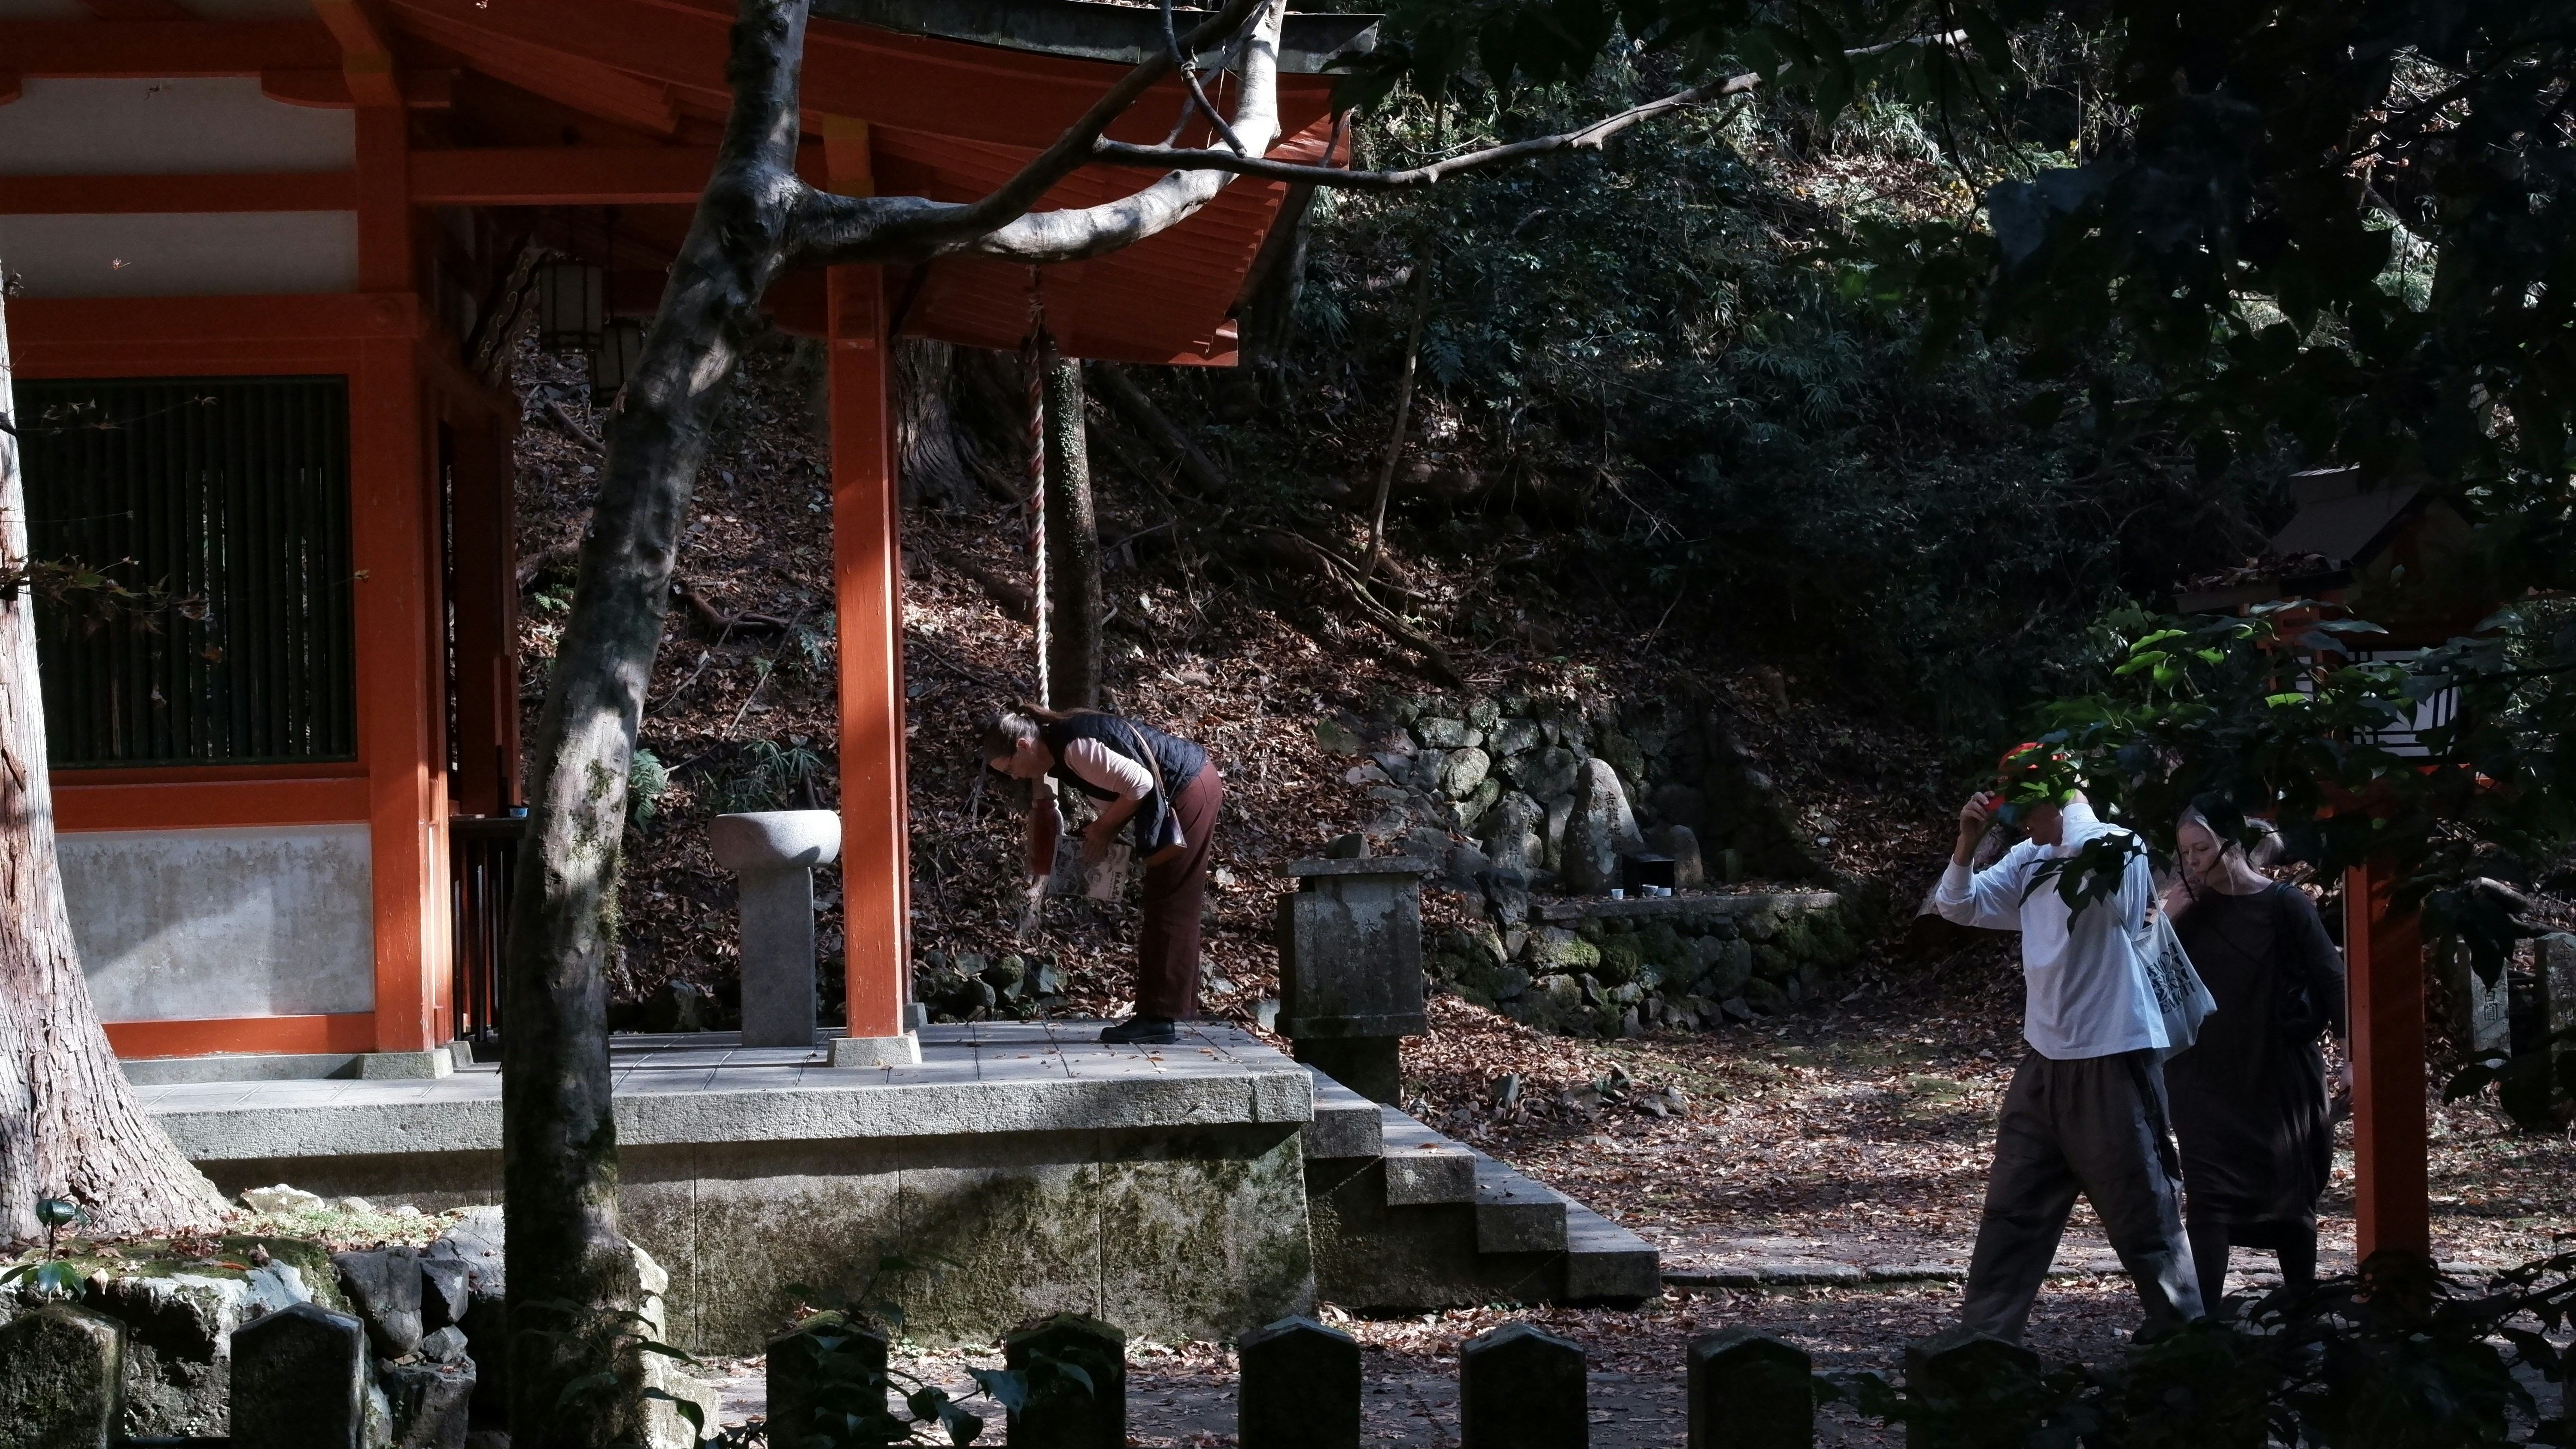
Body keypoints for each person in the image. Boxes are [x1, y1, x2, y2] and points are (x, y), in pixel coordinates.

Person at [1933, 752, 2202, 1343]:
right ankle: (1983, 1349)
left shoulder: (2117, 847)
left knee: (2145, 1219)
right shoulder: (2031, 859)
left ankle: (2190, 1350)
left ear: (2055, 800)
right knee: (2012, 1212)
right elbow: (1959, 904)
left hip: (2112, 1058)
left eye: (2026, 810)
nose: (2021, 825)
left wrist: (2072, 799)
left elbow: (2121, 898)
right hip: (2043, 1063)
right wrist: (1967, 841)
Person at [2163, 800, 2348, 1312]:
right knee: (2208, 1198)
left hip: (2279, 1072)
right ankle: (2202, 1329)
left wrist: (2352, 1055)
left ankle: (2300, 1313)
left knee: (2290, 1195)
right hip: (2203, 1076)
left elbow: (2333, 979)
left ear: (2234, 842)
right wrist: (2168, 916)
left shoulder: (2285, 904)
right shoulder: (2186, 909)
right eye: (2186, 852)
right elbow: (2138, 978)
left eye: (2202, 848)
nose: (2195, 861)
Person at [981, 704, 1223, 1045]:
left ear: (1023, 745)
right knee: (1163, 901)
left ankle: (1159, 1018)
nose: (1014, 777)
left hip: (1188, 788)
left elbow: (1141, 784)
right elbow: (1123, 792)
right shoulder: (1060, 751)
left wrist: (1104, 829)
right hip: (1187, 788)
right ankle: (1161, 1013)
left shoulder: (1074, 747)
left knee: (1172, 903)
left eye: (1009, 768)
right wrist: (1099, 832)